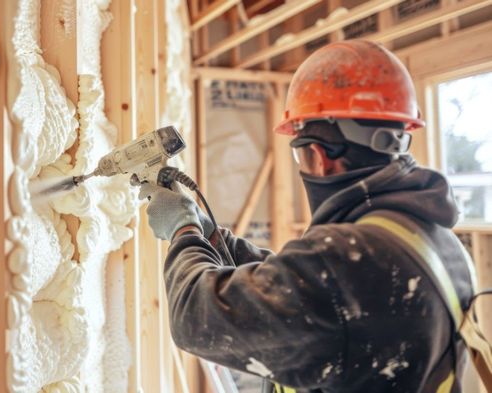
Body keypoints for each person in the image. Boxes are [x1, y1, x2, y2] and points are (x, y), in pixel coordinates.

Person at [139, 40, 477, 392]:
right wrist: (214, 240)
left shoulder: (345, 261)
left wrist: (183, 230)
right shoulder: (435, 240)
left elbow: (196, 317)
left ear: (317, 156)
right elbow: (310, 291)